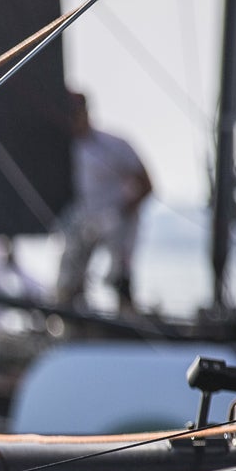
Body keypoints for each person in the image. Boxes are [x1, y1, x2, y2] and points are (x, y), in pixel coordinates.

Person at [53, 91, 152, 312]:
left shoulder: (113, 145)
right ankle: (68, 319)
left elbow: (147, 184)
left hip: (116, 218)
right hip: (81, 219)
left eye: (76, 113)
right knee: (69, 269)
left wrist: (122, 212)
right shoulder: (61, 148)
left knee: (119, 273)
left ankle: (127, 316)